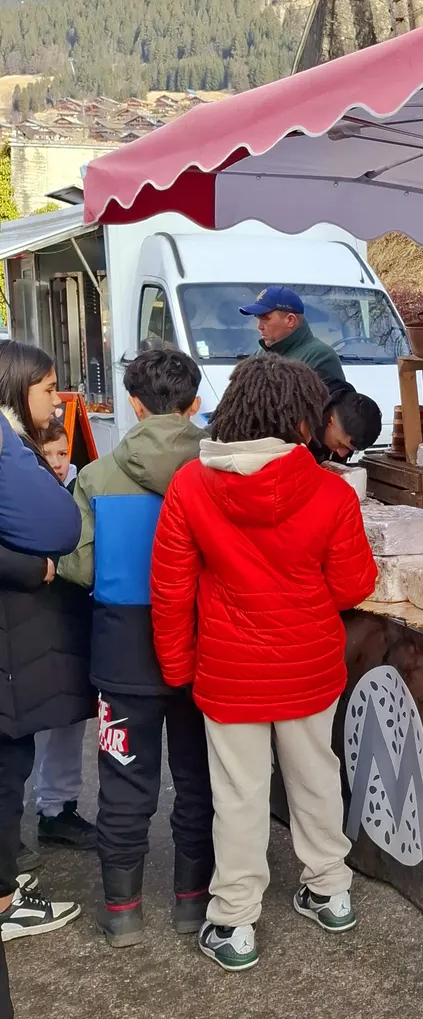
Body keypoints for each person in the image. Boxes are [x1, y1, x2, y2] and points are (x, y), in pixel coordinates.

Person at [150, 353, 376, 972]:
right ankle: (329, 889)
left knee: (239, 795)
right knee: (315, 777)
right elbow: (354, 583)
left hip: (228, 670)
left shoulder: (191, 486)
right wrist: (300, 604)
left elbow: (170, 591)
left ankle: (235, 920)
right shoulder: (330, 490)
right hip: (309, 665)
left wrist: (178, 668)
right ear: (305, 420)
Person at [58, 346, 215, 945]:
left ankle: (122, 910)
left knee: (123, 778)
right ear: (195, 404)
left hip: (121, 649)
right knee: (198, 777)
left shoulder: (96, 478)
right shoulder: (216, 471)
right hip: (203, 646)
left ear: (132, 403)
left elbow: (77, 566)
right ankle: (191, 903)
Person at [0, 344, 92, 1019]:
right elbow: (57, 528)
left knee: (17, 761)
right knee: (8, 768)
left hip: (20, 651)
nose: (58, 398)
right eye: (49, 388)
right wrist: (35, 565)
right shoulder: (7, 446)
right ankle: (5, 897)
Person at [30, 413, 93, 850]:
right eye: (47, 453)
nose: (56, 461)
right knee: (28, 724)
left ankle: (57, 807)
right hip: (35, 616)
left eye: (62, 452)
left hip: (70, 614)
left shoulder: (82, 486)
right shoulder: (23, 490)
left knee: (69, 719)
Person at [239, 286, 345, 392]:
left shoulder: (320, 356)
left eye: (265, 319)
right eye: (258, 319)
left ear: (290, 320)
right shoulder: (262, 351)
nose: (259, 327)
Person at [312, 384, 382, 463]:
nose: (342, 454)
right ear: (330, 420)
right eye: (340, 444)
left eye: (350, 450)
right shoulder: (299, 413)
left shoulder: (350, 405)